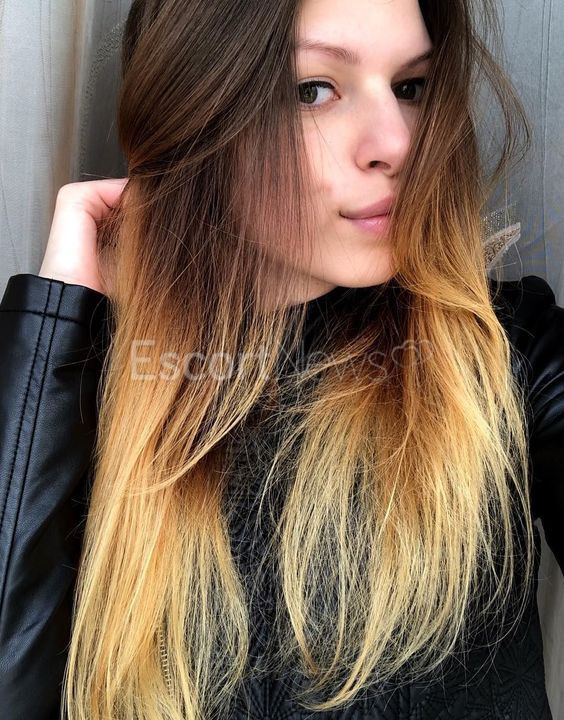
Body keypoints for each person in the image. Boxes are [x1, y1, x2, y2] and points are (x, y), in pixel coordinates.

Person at [0, 0, 563, 718]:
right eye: (314, 90)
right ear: (194, 110)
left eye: (410, 86)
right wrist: (56, 326)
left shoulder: (506, 354)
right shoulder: (82, 389)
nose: (397, 141)